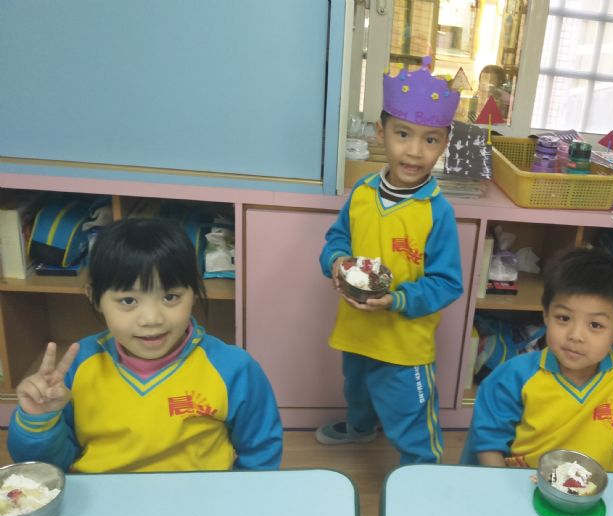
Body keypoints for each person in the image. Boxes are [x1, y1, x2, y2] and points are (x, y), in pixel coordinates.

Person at [7, 218, 282, 472]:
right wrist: (38, 420)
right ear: (95, 298)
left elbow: (261, 452)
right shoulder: (78, 367)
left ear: (194, 292)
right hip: (102, 500)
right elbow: (47, 469)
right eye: (128, 301)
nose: (151, 319)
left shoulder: (234, 369)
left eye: (170, 297)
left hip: (201, 500)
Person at [315, 56, 464, 464]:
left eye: (430, 140)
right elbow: (336, 239)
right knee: (357, 389)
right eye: (402, 134)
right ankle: (361, 429)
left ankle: (422, 470)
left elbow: (447, 283)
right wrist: (336, 262)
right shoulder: (362, 193)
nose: (414, 151)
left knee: (411, 417)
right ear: (381, 133)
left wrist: (397, 299)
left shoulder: (437, 211)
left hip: (404, 344)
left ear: (444, 144)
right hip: (356, 329)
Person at [464, 248, 613, 472]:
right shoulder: (513, 376)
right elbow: (488, 445)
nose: (575, 336)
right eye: (564, 318)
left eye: (595, 325)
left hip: (596, 486)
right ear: (546, 315)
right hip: (524, 483)